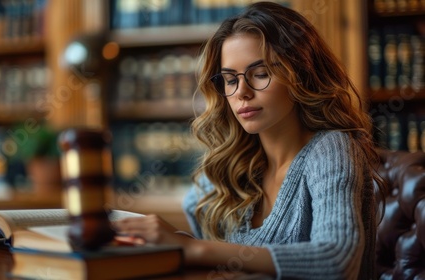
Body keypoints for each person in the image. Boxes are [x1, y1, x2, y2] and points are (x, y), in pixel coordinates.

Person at [114, 2, 386, 279]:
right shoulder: (226, 170)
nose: (242, 92)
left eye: (260, 74)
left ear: (301, 75)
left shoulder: (331, 149)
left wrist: (196, 249)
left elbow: (337, 262)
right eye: (230, 79)